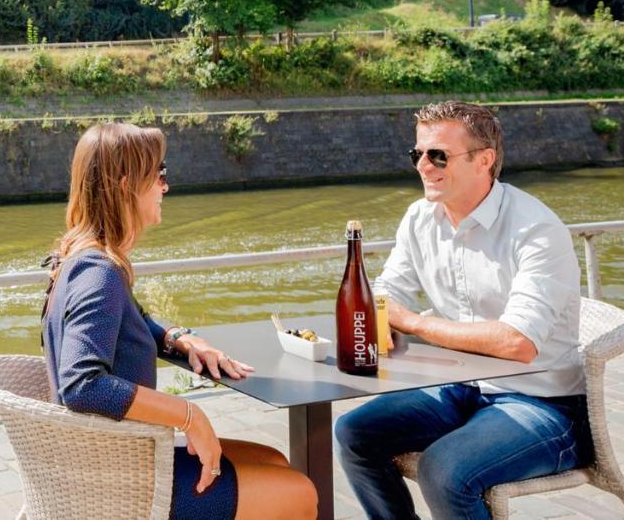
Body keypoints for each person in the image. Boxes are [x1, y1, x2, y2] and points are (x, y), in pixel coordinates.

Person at [43, 122, 316, 520]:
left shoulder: (81, 257)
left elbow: (130, 317)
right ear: (125, 186)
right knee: (300, 493)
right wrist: (190, 415)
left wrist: (179, 337)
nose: (165, 187)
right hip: (124, 486)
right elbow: (81, 384)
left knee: (274, 458)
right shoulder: (99, 272)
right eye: (159, 175)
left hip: (102, 464)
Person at [335, 101, 588, 520]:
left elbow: (517, 343)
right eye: (417, 153)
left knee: (445, 470)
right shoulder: (420, 218)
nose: (423, 166)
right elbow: (384, 293)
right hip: (461, 387)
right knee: (354, 433)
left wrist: (414, 323)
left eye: (438, 155)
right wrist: (382, 322)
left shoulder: (536, 230)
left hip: (544, 405)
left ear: (483, 160)